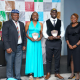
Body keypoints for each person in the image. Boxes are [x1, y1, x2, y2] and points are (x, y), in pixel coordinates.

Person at [2, 9, 26, 80]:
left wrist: (24, 45)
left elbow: (23, 36)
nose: (16, 16)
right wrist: (7, 47)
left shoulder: (21, 24)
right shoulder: (6, 23)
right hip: (10, 48)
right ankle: (9, 78)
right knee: (9, 64)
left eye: (17, 15)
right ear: (11, 16)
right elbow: (4, 36)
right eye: (14, 15)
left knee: (18, 64)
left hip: (19, 47)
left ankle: (17, 77)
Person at [43, 8, 65, 79]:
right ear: (50, 13)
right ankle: (48, 73)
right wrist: (48, 37)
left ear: (57, 14)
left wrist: (60, 36)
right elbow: (44, 32)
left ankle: (57, 73)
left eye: (55, 13)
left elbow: (63, 31)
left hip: (57, 42)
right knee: (48, 58)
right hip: (49, 42)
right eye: (53, 12)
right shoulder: (46, 22)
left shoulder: (60, 22)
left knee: (57, 58)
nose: (54, 14)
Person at [25, 12, 44, 80]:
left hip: (37, 42)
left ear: (38, 16)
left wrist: (40, 38)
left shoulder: (41, 24)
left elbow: (41, 33)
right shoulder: (28, 23)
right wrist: (30, 38)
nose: (35, 16)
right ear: (32, 16)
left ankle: (37, 74)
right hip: (30, 41)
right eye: (34, 15)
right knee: (30, 56)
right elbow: (25, 33)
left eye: (36, 15)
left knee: (37, 56)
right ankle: (30, 74)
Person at [65, 13, 80, 80]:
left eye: (74, 18)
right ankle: (72, 73)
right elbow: (66, 37)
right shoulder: (68, 26)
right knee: (71, 59)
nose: (73, 19)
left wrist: (76, 45)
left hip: (77, 45)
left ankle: (77, 74)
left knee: (77, 59)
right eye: (72, 18)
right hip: (70, 46)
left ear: (77, 18)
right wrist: (69, 45)